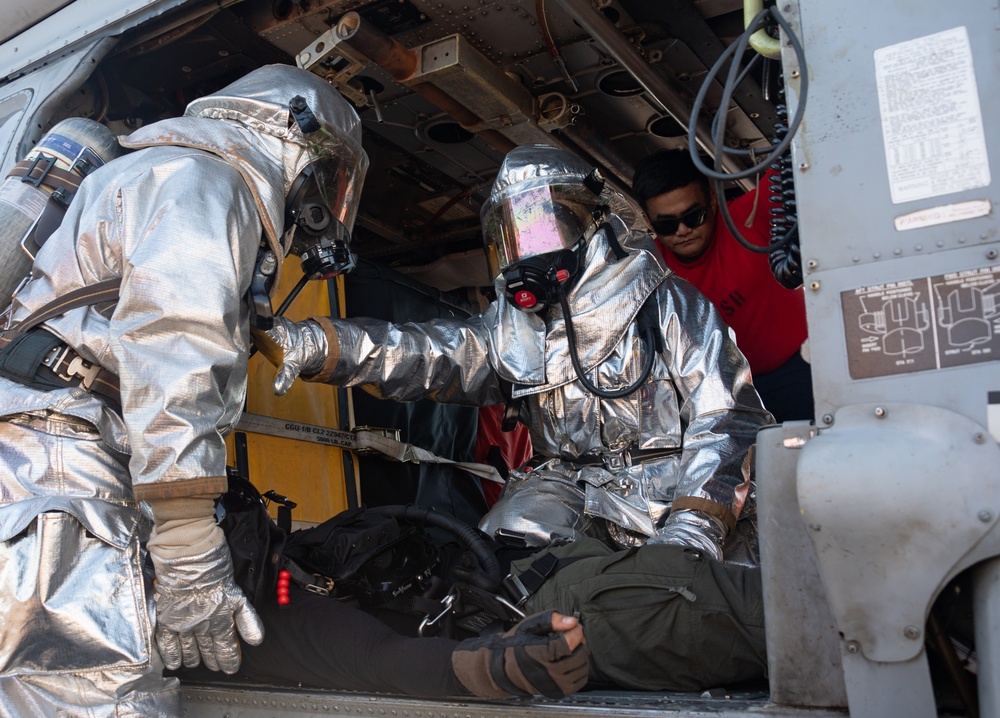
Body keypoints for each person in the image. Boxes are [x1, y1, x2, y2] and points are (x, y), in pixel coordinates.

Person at [0, 66, 587, 717]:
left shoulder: (160, 180)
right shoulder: (203, 180)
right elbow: (178, 347)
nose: (325, 208)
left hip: (49, 460)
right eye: (331, 180)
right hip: (65, 464)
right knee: (90, 701)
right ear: (294, 143)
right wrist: (189, 537)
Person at [265, 144, 773, 565]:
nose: (527, 247)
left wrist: (697, 523)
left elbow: (728, 416)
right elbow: (426, 354)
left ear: (588, 225)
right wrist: (314, 344)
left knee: (717, 601)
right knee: (504, 547)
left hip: (674, 492)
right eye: (512, 233)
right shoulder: (514, 327)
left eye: (544, 226)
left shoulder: (665, 302)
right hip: (570, 488)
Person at [631, 149, 813, 423]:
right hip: (718, 396)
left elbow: (801, 157)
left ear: (713, 201)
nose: (682, 230)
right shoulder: (649, 271)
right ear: (648, 222)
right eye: (667, 224)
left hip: (794, 372)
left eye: (693, 216)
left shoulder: (749, 215)